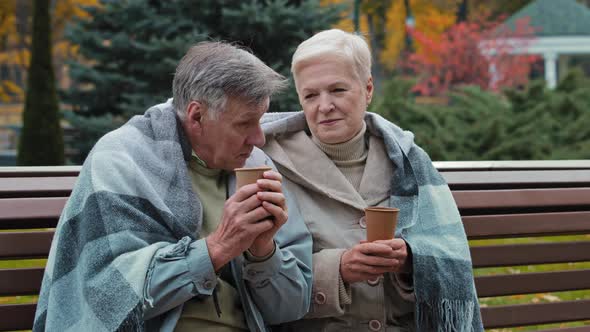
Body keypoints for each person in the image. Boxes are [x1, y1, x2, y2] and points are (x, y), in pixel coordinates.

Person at [33, 42, 312, 332]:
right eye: (245, 123)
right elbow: (110, 295)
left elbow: (291, 307)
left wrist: (263, 251)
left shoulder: (256, 166)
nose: (259, 138)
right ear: (197, 116)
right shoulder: (122, 160)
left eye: (260, 121)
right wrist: (219, 247)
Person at [261, 29, 483, 331]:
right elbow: (258, 278)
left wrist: (411, 260)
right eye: (311, 95)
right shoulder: (268, 165)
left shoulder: (407, 162)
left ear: (367, 89)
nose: (324, 106)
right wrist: (337, 270)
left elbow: (447, 257)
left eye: (338, 90)